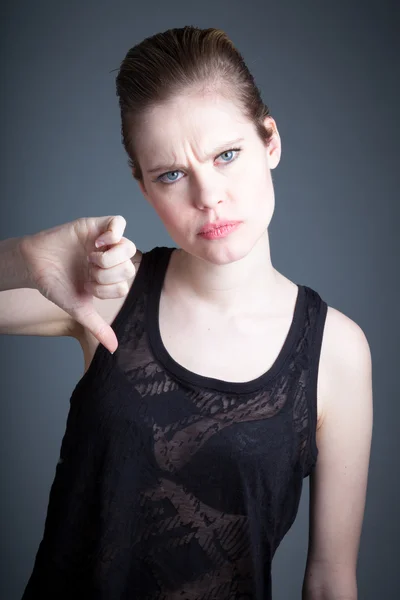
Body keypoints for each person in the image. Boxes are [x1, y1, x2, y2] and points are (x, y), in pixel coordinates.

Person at [0, 25, 373, 600]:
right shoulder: (108, 291)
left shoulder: (336, 352)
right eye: (171, 175)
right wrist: (23, 258)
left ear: (269, 141)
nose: (207, 196)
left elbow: (329, 580)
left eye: (227, 155)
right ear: (145, 189)